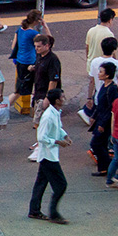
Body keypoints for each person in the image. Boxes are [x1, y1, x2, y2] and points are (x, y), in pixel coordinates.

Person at [29, 89, 71, 223]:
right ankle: (53, 214)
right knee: (61, 185)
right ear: (57, 100)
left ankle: (34, 211)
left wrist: (64, 135)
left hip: (49, 155)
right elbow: (41, 137)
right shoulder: (48, 116)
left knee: (41, 183)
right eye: (62, 97)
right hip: (48, 156)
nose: (64, 98)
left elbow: (57, 128)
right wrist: (58, 142)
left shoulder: (55, 113)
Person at [7, 10, 49, 114]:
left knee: (20, 88)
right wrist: (45, 27)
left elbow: (13, 46)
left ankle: (3, 107)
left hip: (20, 62)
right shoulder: (33, 33)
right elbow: (48, 41)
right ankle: (2, 108)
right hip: (30, 63)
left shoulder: (20, 30)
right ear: (36, 21)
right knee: (23, 90)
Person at [88, 62, 117, 177]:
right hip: (100, 119)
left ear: (107, 75)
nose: (98, 74)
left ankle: (107, 165)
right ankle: (104, 168)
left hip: (105, 121)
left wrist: (103, 124)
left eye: (101, 72)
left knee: (96, 144)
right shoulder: (103, 86)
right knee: (101, 144)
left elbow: (111, 108)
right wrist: (93, 116)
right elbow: (99, 104)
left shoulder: (112, 89)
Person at [30, 34, 60, 126]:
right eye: (35, 46)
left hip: (44, 95)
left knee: (40, 123)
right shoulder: (40, 56)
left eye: (39, 46)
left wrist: (48, 98)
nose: (36, 48)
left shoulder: (53, 60)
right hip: (38, 92)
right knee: (37, 121)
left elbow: (53, 81)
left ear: (47, 46)